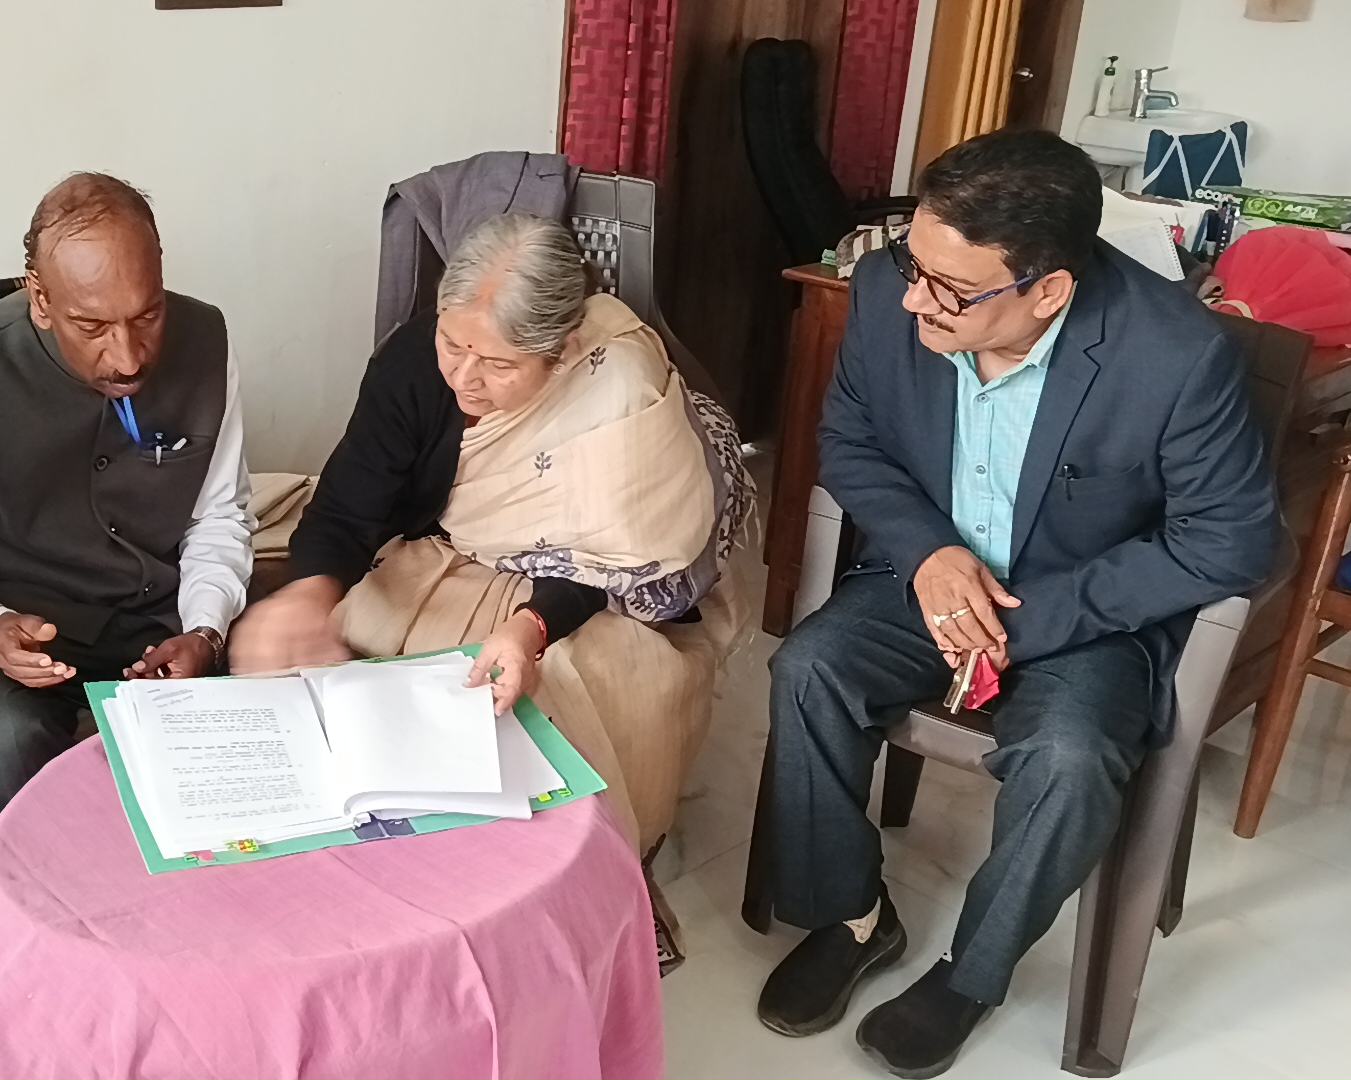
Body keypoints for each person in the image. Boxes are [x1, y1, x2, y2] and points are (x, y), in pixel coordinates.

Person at [756, 129, 1280, 1077]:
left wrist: (1031, 619)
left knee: (1071, 759)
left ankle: (970, 975)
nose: (914, 299)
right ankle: (855, 917)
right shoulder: (883, 289)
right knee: (808, 669)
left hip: (1084, 609)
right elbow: (853, 441)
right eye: (914, 264)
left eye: (951, 289)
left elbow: (1230, 540)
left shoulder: (1174, 355)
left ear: (1049, 289)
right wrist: (929, 552)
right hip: (929, 580)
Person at [231, 212, 747, 853]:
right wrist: (310, 593)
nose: (464, 378)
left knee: (569, 689)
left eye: (500, 364)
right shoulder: (413, 360)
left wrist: (531, 627)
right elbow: (346, 505)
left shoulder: (615, 382)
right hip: (443, 547)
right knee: (350, 640)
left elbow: (614, 553)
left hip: (587, 588)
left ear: (562, 352)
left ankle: (560, 865)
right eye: (453, 345)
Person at [0, 172, 255, 825]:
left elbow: (218, 516)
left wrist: (205, 630)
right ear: (41, 298)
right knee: (5, 753)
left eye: (147, 315)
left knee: (264, 722)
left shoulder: (207, 341)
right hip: (16, 629)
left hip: (159, 615)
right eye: (91, 325)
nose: (128, 357)